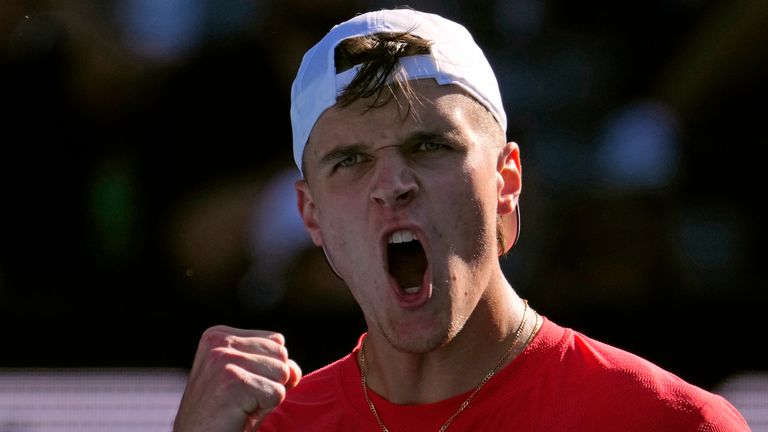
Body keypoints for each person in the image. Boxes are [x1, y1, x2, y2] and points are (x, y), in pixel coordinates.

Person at [172, 7, 751, 432]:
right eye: (350, 160)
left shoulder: (668, 422)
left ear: (507, 183)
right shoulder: (271, 431)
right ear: (311, 215)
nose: (393, 184)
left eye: (429, 146)